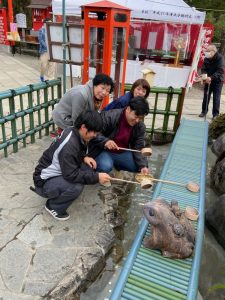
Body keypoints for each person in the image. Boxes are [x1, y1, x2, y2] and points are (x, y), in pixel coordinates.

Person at [32, 110, 111, 221]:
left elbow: (76, 152)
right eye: (94, 132)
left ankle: (61, 195)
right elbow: (71, 175)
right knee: (76, 186)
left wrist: (84, 157)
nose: (95, 135)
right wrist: (97, 177)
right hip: (44, 181)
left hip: (56, 172)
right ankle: (53, 206)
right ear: (83, 127)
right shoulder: (69, 146)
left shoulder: (72, 130)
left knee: (88, 169)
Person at [89, 96, 150, 174]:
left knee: (139, 166)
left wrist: (143, 166)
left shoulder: (140, 126)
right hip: (103, 150)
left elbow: (138, 147)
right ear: (128, 109)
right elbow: (93, 132)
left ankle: (117, 165)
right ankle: (98, 172)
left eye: (140, 118)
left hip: (121, 152)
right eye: (136, 116)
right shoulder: (110, 116)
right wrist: (105, 141)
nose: (137, 120)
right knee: (105, 166)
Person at [199, 45, 225, 119]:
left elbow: (220, 70)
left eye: (208, 51)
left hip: (218, 80)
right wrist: (205, 77)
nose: (206, 53)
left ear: (213, 52)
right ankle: (204, 111)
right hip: (208, 79)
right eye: (206, 51)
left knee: (216, 97)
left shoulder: (220, 58)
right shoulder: (207, 58)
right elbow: (203, 68)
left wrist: (212, 77)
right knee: (206, 95)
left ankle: (215, 114)